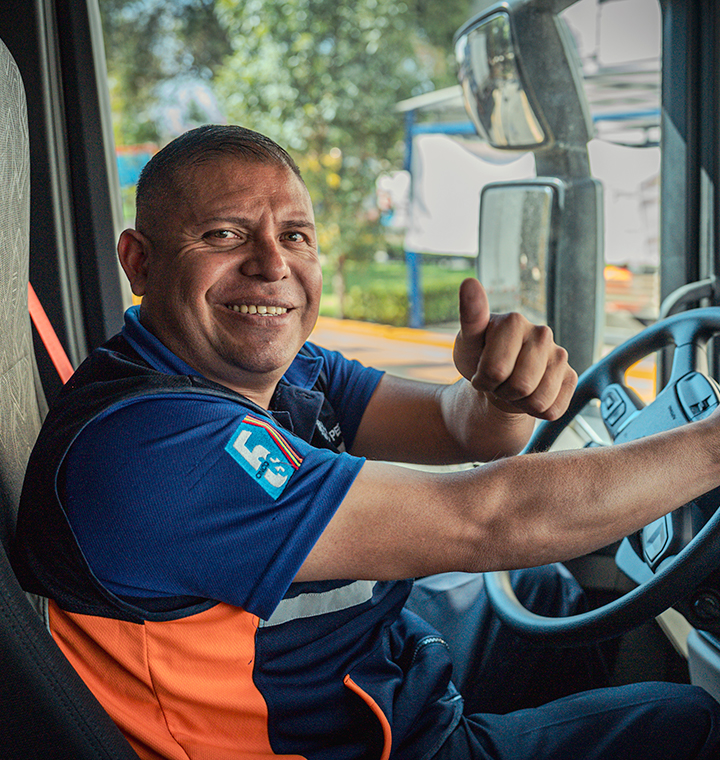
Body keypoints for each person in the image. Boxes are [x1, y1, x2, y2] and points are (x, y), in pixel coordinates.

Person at [11, 124, 720, 760]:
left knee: (542, 589)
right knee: (689, 722)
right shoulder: (151, 450)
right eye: (224, 234)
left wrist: (497, 395)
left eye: (294, 236)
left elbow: (455, 427)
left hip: (369, 672)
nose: (271, 264)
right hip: (342, 740)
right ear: (140, 262)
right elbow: (490, 518)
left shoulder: (289, 369)